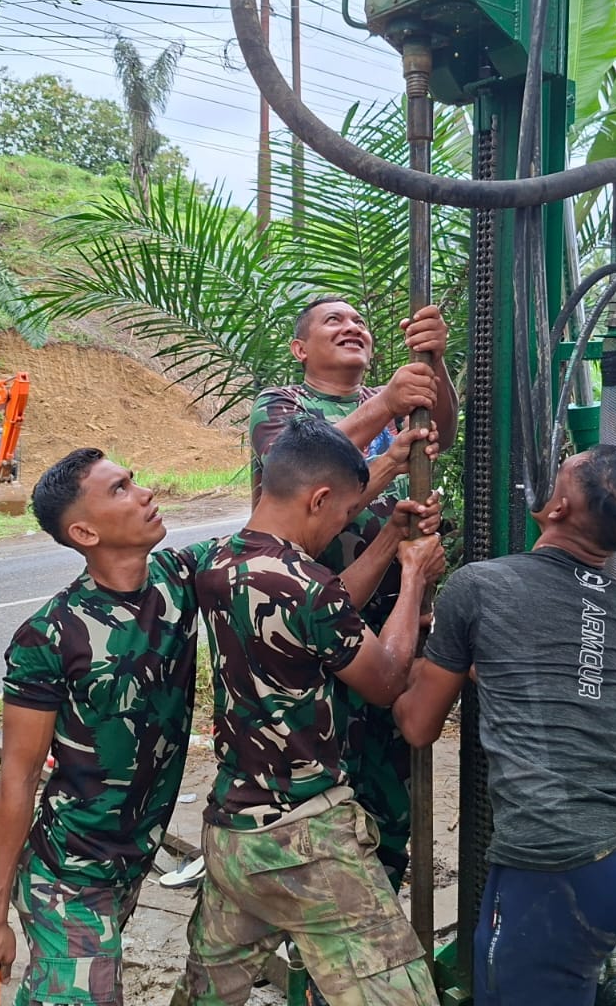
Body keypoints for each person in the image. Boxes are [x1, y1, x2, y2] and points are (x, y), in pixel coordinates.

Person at [173, 416, 446, 1006]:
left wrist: (381, 542)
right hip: (304, 839)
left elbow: (320, 610)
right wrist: (414, 576)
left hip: (232, 832)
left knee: (207, 995)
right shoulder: (307, 585)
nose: (344, 522)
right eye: (345, 514)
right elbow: (386, 679)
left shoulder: (221, 562)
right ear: (319, 498)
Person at [392, 445, 616, 1006]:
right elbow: (571, 682)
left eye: (568, 464)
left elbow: (418, 726)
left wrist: (409, 595)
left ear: (561, 506)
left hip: (559, 864)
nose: (558, 460)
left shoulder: (481, 586)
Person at [0, 448, 213, 1006]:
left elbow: (288, 509)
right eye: (121, 488)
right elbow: (18, 779)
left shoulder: (182, 580)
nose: (145, 492)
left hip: (132, 859)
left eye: (135, 480)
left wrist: (385, 456)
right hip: (67, 876)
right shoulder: (49, 636)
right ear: (85, 532)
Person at [248, 298, 457, 891]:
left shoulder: (382, 405)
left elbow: (438, 425)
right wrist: (390, 408)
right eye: (332, 322)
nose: (352, 327)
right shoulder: (283, 406)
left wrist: (433, 364)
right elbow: (299, 472)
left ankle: (384, 891)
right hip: (307, 626)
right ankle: (309, 921)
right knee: (317, 776)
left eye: (360, 321)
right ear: (300, 350)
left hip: (393, 616)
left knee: (391, 774)